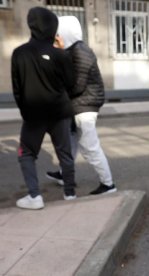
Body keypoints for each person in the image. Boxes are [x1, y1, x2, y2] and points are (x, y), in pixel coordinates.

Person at [11, 7, 77, 209]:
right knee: (65, 153)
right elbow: (71, 83)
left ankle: (34, 196)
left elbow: (17, 88)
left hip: (34, 114)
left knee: (27, 154)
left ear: (32, 25)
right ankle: (70, 193)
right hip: (60, 111)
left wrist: (26, 111)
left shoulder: (19, 53)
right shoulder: (61, 55)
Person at [46, 16, 116, 195]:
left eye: (58, 35)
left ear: (66, 33)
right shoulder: (73, 50)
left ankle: (108, 185)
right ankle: (64, 174)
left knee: (90, 147)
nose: (56, 38)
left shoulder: (80, 52)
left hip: (85, 106)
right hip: (78, 105)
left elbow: (77, 85)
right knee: (71, 144)